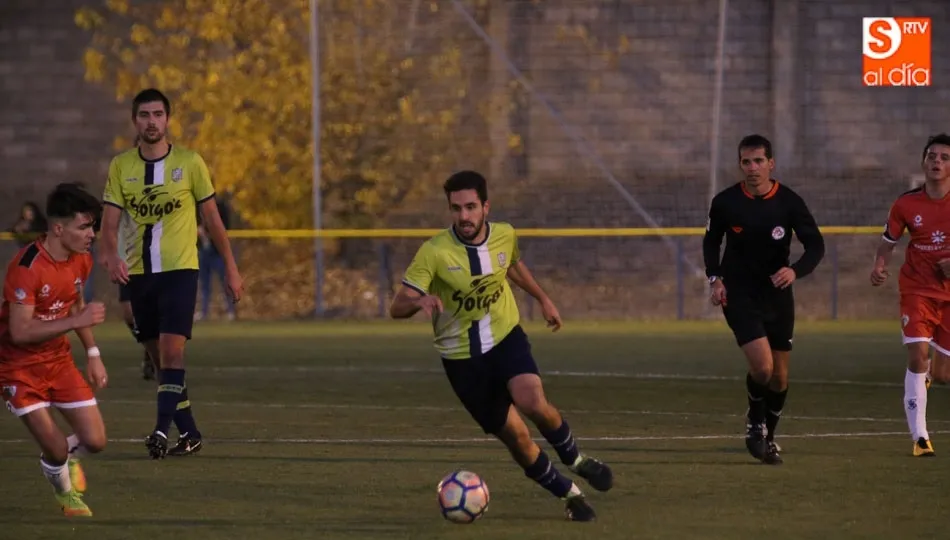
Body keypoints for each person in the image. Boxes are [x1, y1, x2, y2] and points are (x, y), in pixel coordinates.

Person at [389, 170, 612, 522]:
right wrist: (418, 302)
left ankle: (577, 460)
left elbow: (513, 266)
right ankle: (568, 494)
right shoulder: (433, 252)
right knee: (518, 438)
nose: (464, 216)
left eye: (471, 207)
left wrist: (543, 298)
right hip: (462, 360)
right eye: (456, 208)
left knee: (532, 400)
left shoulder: (505, 234)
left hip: (505, 336)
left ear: (485, 207)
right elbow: (396, 307)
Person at [98, 88, 244, 459]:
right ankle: (191, 432)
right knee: (161, 360)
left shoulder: (191, 162)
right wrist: (110, 255)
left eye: (158, 114)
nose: (152, 121)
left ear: (168, 119)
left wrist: (230, 267)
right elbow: (110, 223)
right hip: (138, 273)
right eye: (144, 115)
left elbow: (212, 219)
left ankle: (160, 432)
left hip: (180, 270)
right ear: (135, 121)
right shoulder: (121, 166)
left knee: (172, 353)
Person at [702, 134, 825, 465]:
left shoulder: (789, 202)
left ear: (771, 163)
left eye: (758, 161)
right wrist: (715, 279)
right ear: (739, 164)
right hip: (739, 293)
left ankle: (768, 435)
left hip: (778, 295)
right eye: (746, 162)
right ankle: (755, 424)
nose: (752, 168)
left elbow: (816, 246)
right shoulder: (726, 202)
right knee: (763, 367)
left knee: (780, 378)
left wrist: (795, 271)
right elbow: (711, 243)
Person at [0, 183, 109, 517]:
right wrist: (75, 320)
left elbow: (75, 304)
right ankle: (66, 496)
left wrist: (93, 354)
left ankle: (65, 461)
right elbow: (20, 332)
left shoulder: (81, 261)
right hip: (17, 367)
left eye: (92, 226)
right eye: (84, 226)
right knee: (57, 448)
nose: (91, 233)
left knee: (95, 441)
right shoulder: (26, 267)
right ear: (59, 229)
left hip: (58, 361)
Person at [870, 133, 950, 457]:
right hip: (917, 289)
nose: (937, 162)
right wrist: (878, 265)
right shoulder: (905, 204)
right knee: (917, 354)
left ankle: (931, 376)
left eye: (945, 157)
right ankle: (920, 437)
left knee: (943, 374)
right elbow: (888, 241)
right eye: (932, 156)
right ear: (923, 161)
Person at [196, 194, 236, 322]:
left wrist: (212, 233)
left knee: (225, 281)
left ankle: (230, 311)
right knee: (204, 283)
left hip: (217, 252)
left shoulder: (220, 206)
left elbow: (224, 227)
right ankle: (204, 312)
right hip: (203, 250)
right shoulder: (195, 206)